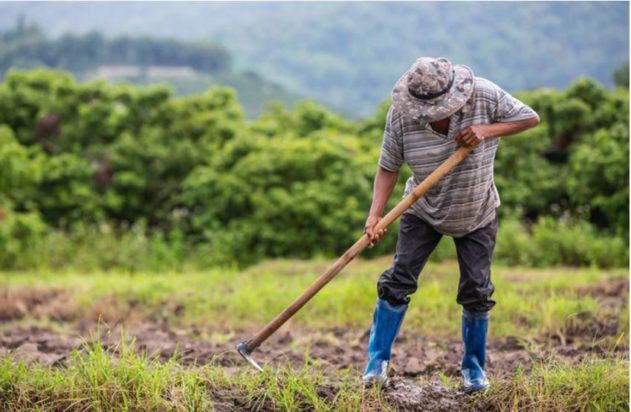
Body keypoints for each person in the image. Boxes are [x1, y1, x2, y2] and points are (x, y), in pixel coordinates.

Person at [362, 57, 540, 392]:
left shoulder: (485, 95)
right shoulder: (401, 115)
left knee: (476, 290)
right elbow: (388, 166)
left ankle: (474, 370)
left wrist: (486, 130)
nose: (429, 115)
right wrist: (375, 215)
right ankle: (376, 365)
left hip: (477, 210)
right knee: (398, 280)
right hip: (422, 208)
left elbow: (530, 117)